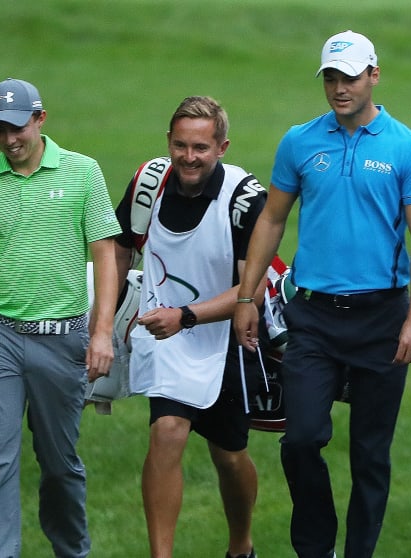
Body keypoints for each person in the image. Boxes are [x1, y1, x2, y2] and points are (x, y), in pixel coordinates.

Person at [233, 30, 411, 558]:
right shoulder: (300, 141)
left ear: (373, 75)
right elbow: (272, 219)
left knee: (371, 455)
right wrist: (246, 298)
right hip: (314, 318)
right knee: (300, 439)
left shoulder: (408, 147)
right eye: (330, 77)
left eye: (349, 77)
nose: (339, 87)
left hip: (383, 317)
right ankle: (315, 550)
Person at [0, 78, 121, 558]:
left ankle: (71, 550)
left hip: (62, 341)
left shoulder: (82, 173)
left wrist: (102, 333)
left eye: (17, 127)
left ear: (40, 119)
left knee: (59, 464)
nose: (9, 139)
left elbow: (104, 256)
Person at [114, 96, 265, 558]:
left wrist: (187, 316)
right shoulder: (149, 183)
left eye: (201, 147)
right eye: (180, 145)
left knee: (230, 454)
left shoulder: (244, 198)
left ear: (222, 146)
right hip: (166, 331)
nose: (189, 157)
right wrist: (109, 314)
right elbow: (121, 246)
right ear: (169, 142)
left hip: (225, 333)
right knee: (168, 430)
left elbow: (250, 289)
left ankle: (241, 545)